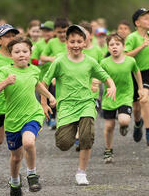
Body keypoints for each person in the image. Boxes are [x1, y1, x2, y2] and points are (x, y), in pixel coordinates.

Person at [42, 24, 116, 186]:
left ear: (84, 42)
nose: (76, 45)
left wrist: (112, 86)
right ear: (67, 43)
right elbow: (44, 82)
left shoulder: (90, 62)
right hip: (66, 107)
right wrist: (44, 103)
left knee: (86, 137)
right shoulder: (59, 62)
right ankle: (73, 128)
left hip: (86, 104)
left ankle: (81, 172)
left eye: (79, 41)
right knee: (63, 143)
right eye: (72, 41)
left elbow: (105, 76)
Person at [0, 37, 56, 196]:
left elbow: (37, 84)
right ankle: (14, 182)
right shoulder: (5, 71)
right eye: (17, 52)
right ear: (10, 55)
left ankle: (32, 174)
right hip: (12, 120)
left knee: (29, 142)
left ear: (30, 53)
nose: (21, 55)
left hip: (32, 114)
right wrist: (5, 82)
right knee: (16, 158)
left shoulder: (34, 70)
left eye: (25, 51)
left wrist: (48, 96)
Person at [99, 34, 143, 163]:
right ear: (108, 48)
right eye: (111, 45)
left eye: (117, 44)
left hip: (125, 95)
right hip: (109, 97)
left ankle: (124, 126)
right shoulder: (104, 62)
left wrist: (140, 88)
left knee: (124, 120)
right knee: (109, 126)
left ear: (123, 47)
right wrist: (95, 83)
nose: (114, 47)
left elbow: (137, 72)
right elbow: (98, 75)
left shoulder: (130, 61)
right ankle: (108, 150)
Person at [124, 8, 149, 146]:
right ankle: (138, 123)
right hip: (132, 72)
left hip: (147, 73)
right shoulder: (132, 37)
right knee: (136, 107)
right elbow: (126, 55)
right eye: (145, 18)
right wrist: (141, 46)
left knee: (144, 99)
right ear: (137, 23)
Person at [40, 17, 69, 129]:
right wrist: (51, 59)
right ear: (54, 32)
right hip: (54, 75)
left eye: (64, 31)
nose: (62, 34)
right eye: (59, 32)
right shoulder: (52, 42)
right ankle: (52, 118)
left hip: (69, 74)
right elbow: (42, 57)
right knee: (53, 93)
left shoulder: (70, 41)